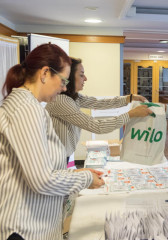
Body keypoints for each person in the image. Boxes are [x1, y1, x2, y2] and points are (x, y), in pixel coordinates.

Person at [0, 43, 105, 240]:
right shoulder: (27, 110)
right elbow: (42, 181)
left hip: (32, 222)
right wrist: (85, 179)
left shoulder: (27, 106)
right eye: (63, 80)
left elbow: (36, 168)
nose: (65, 88)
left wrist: (74, 173)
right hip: (25, 228)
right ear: (45, 73)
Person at [45, 57, 152, 164]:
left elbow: (99, 103)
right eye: (81, 75)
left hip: (62, 155)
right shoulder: (62, 101)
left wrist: (128, 98)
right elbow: (97, 126)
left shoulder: (73, 97)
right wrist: (130, 114)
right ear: (69, 76)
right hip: (54, 158)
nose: (85, 78)